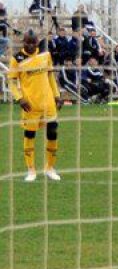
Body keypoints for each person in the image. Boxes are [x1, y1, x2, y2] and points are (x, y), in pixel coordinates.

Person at [7, 30, 63, 182]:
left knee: (53, 133)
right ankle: (31, 170)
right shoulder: (16, 59)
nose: (30, 45)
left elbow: (50, 76)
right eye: (27, 42)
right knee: (30, 135)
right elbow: (11, 81)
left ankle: (49, 168)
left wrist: (57, 95)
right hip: (30, 106)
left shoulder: (45, 55)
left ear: (37, 42)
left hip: (48, 103)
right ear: (23, 42)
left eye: (33, 42)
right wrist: (19, 98)